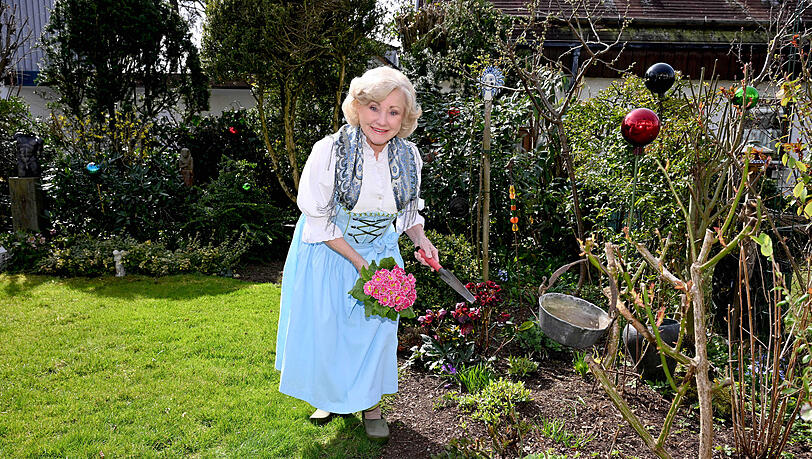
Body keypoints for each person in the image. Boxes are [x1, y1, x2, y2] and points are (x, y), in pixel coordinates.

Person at [274, 66, 438, 442]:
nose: (382, 120)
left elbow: (408, 212)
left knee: (375, 335)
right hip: (331, 251)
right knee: (330, 332)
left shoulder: (409, 157)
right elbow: (318, 220)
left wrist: (420, 240)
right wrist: (362, 266)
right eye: (374, 107)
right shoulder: (329, 151)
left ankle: (372, 407)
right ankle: (330, 397)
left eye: (394, 111)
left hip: (381, 252)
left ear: (405, 117)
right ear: (358, 107)